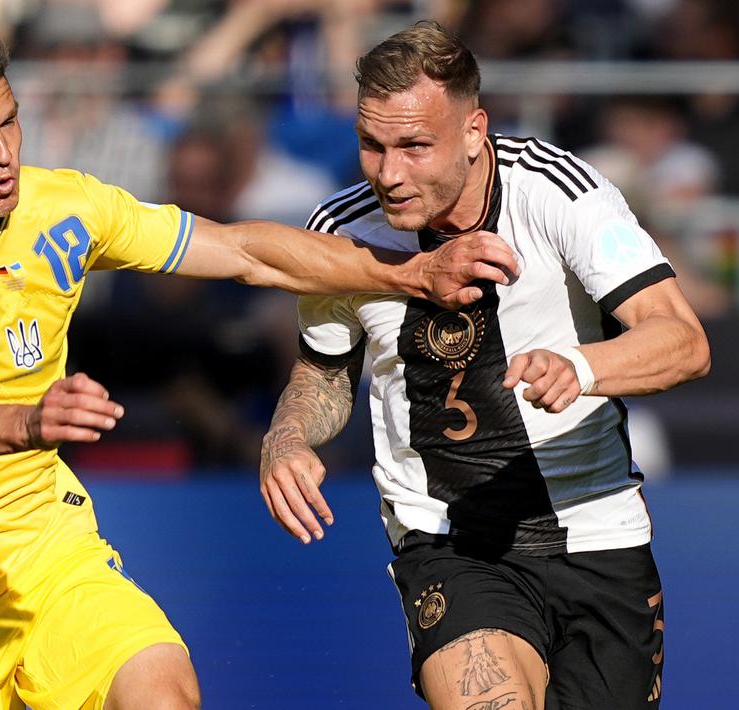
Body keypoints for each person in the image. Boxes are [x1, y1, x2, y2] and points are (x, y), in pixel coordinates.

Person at [0, 23, 518, 710]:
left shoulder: (62, 207)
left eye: (9, 123)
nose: (3, 153)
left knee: (162, 695)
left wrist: (414, 272)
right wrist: (26, 420)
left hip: (50, 556)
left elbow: (245, 252)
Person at [259, 21, 710, 710]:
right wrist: (286, 436)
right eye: (371, 145)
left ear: (473, 132)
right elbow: (322, 372)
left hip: (597, 532)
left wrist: (579, 367)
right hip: (448, 540)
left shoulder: (557, 191)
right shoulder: (341, 235)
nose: (388, 172)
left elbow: (681, 340)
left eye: (413, 146)